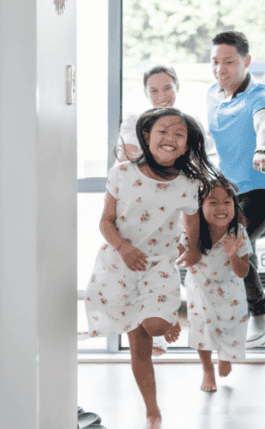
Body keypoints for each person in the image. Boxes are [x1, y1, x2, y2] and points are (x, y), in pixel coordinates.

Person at [85, 107, 217, 429]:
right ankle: (152, 411)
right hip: (121, 264)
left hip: (158, 264)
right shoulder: (122, 172)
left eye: (179, 134)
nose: (170, 138)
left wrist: (193, 249)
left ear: (186, 146)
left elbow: (191, 220)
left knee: (156, 326)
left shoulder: (187, 183)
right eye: (163, 131)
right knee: (140, 349)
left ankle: (165, 318)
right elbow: (105, 222)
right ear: (147, 136)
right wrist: (123, 248)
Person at [203, 30, 265, 347]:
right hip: (228, 191)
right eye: (215, 62)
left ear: (246, 61)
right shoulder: (213, 94)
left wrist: (263, 149)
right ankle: (245, 315)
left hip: (261, 190)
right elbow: (214, 139)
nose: (220, 69)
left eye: (229, 62)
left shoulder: (259, 94)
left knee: (231, 242)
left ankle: (260, 311)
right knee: (241, 247)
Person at [178, 177, 251, 392]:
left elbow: (243, 272)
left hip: (231, 292)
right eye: (213, 202)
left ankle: (226, 355)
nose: (221, 208)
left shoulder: (238, 233)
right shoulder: (192, 233)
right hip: (200, 291)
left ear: (235, 207)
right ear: (199, 207)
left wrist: (233, 254)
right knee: (202, 330)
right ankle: (207, 368)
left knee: (231, 327)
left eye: (227, 202)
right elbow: (178, 257)